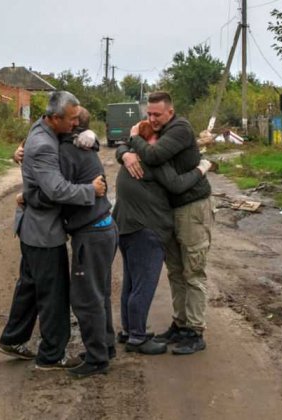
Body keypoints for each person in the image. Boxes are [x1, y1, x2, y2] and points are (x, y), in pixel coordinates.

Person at [0, 91, 106, 370]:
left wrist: (91, 136)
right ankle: (52, 355)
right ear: (55, 118)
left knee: (30, 288)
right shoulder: (45, 144)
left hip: (32, 228)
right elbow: (56, 189)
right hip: (43, 233)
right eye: (71, 120)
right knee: (53, 294)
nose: (74, 124)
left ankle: (12, 338)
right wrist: (90, 190)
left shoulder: (41, 126)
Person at [118, 91, 213, 355]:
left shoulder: (180, 128)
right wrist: (126, 152)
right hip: (172, 211)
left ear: (170, 112)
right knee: (175, 270)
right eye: (148, 114)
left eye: (157, 114)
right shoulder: (154, 131)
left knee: (193, 270)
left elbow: (155, 155)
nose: (152, 118)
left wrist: (134, 141)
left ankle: (195, 330)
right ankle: (180, 323)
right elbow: (132, 148)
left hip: (192, 207)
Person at [24, 107, 117, 377]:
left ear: (68, 126)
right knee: (100, 295)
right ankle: (106, 347)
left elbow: (54, 192)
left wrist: (28, 197)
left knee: (86, 299)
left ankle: (97, 360)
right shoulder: (84, 147)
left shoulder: (65, 153)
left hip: (90, 234)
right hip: (104, 228)